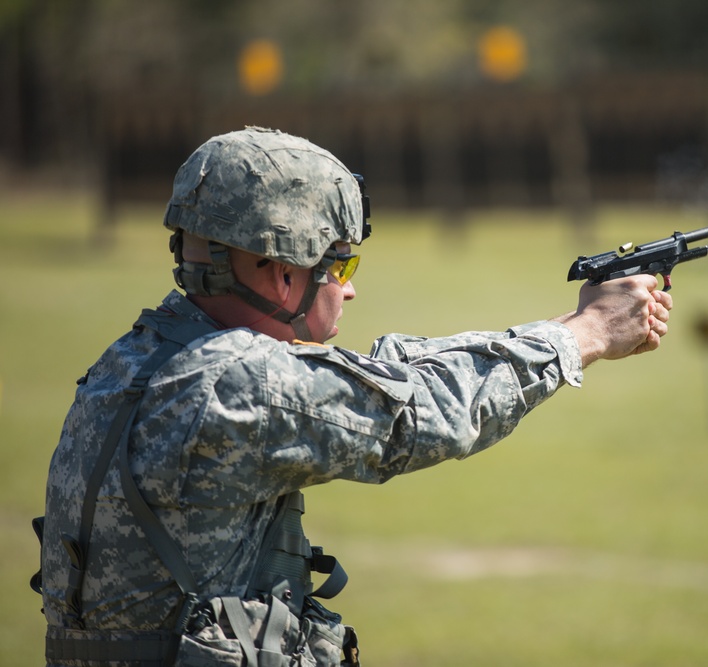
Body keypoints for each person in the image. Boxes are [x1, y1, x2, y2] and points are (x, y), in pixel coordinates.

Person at [35, 126, 672, 666]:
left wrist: (565, 326)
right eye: (340, 266)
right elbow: (418, 411)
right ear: (284, 273)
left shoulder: (140, 356)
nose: (348, 287)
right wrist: (589, 335)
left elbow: (379, 375)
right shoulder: (237, 387)